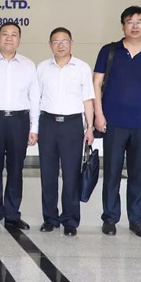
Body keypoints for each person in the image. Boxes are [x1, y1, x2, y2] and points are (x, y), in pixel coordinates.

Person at [93, 6, 141, 238]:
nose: (134, 26)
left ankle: (137, 220)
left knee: (138, 174)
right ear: (123, 25)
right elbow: (96, 83)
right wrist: (99, 114)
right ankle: (110, 219)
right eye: (130, 21)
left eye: (139, 22)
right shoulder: (109, 51)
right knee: (112, 173)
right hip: (113, 123)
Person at [0, 22, 39, 230]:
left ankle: (13, 215)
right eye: (5, 34)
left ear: (19, 40)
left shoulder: (28, 65)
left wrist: (34, 128)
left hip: (19, 121)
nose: (9, 38)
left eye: (14, 35)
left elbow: (34, 98)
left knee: (16, 168)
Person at [37, 27, 95, 237]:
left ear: (71, 43)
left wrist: (90, 127)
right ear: (50, 44)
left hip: (72, 125)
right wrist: (34, 128)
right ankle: (50, 218)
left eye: (64, 41)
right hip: (48, 123)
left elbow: (87, 99)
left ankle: (70, 220)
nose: (60, 45)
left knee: (71, 174)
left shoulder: (82, 68)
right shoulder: (42, 68)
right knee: (48, 174)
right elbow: (35, 99)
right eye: (56, 41)